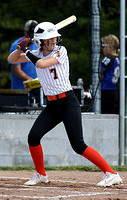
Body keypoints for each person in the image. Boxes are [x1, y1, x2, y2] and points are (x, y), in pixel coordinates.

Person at [8, 22, 122, 187]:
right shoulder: (35, 52)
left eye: (54, 37)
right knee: (33, 137)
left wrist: (26, 51)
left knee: (78, 145)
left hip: (67, 102)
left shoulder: (60, 51)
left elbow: (41, 64)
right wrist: (20, 48)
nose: (53, 40)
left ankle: (111, 174)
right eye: (49, 39)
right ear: (41, 41)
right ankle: (40, 174)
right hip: (53, 105)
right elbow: (11, 59)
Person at [9, 20, 38, 89]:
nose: (32, 38)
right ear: (25, 31)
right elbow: (16, 70)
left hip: (37, 87)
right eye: (30, 35)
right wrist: (31, 80)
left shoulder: (38, 44)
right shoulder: (16, 45)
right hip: (21, 89)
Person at [101, 34, 120, 114]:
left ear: (110, 47)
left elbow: (100, 73)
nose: (102, 49)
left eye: (104, 46)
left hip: (106, 92)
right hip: (114, 91)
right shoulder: (118, 59)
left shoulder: (108, 58)